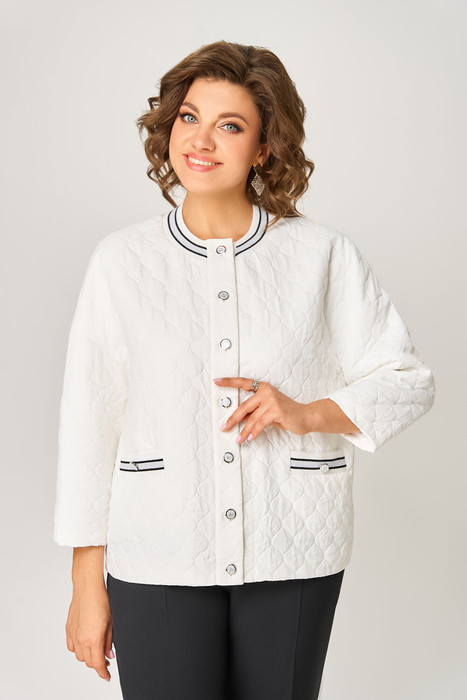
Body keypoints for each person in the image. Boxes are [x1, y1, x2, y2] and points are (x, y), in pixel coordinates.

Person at [53, 40, 436, 700]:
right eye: (188, 118)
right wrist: (86, 582)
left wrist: (306, 412)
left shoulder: (320, 255)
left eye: (229, 126)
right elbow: (90, 421)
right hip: (159, 547)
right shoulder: (122, 261)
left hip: (295, 546)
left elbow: (406, 379)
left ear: (264, 147)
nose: (201, 141)